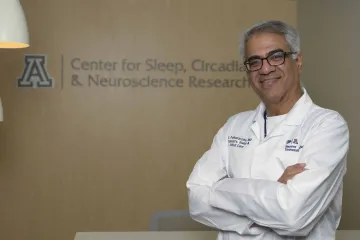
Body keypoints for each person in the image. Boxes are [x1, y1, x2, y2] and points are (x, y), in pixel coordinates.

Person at [186, 20, 349, 239]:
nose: (264, 68)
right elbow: (196, 198)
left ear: (297, 61)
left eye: (276, 56)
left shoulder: (327, 126)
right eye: (254, 61)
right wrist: (275, 190)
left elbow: (294, 217)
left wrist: (219, 189)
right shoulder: (235, 125)